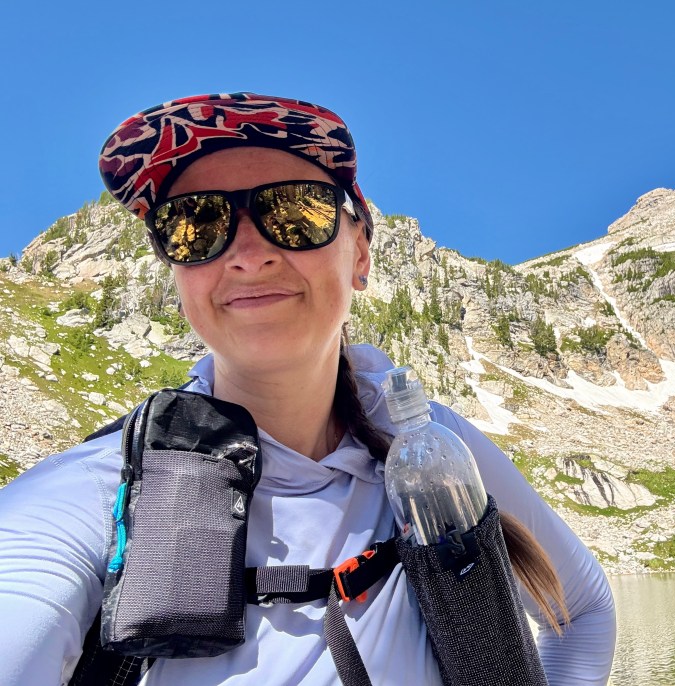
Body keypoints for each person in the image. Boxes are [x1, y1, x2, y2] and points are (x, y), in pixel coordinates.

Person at [0, 93, 616, 684]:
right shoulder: (103, 488)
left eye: (296, 212)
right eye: (195, 223)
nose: (247, 254)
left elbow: (582, 612)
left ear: (360, 254)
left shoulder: (430, 446)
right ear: (176, 273)